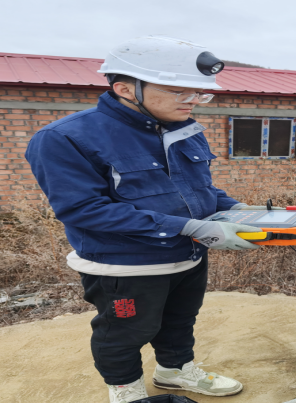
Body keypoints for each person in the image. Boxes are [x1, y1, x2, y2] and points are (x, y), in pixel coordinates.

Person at [25, 35, 276, 403]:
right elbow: (84, 209)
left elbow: (197, 189)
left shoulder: (182, 129)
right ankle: (126, 390)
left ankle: (174, 371)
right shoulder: (65, 138)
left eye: (199, 93)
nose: (193, 100)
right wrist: (190, 227)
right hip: (126, 266)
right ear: (126, 89)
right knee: (124, 332)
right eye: (179, 91)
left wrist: (237, 209)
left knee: (180, 321)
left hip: (189, 256)